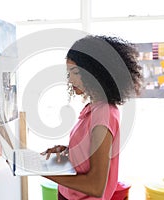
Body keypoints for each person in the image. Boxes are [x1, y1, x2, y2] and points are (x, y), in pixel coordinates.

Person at [40, 35, 143, 199]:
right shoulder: (94, 107)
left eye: (75, 72)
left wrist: (43, 171)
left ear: (95, 72)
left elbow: (96, 186)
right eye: (69, 73)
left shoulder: (104, 114)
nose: (70, 79)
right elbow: (91, 154)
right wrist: (69, 151)